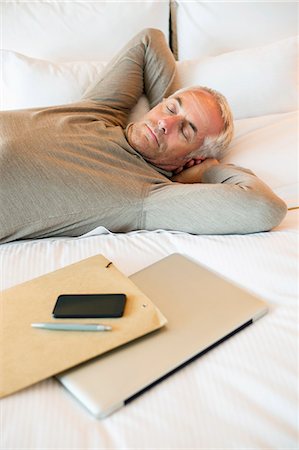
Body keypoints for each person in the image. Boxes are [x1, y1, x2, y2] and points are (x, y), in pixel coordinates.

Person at [0, 29, 286, 243]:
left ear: (193, 157)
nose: (166, 123)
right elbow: (149, 41)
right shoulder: (101, 111)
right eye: (171, 107)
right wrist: (166, 106)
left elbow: (264, 208)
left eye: (186, 129)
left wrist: (207, 172)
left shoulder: (147, 194)